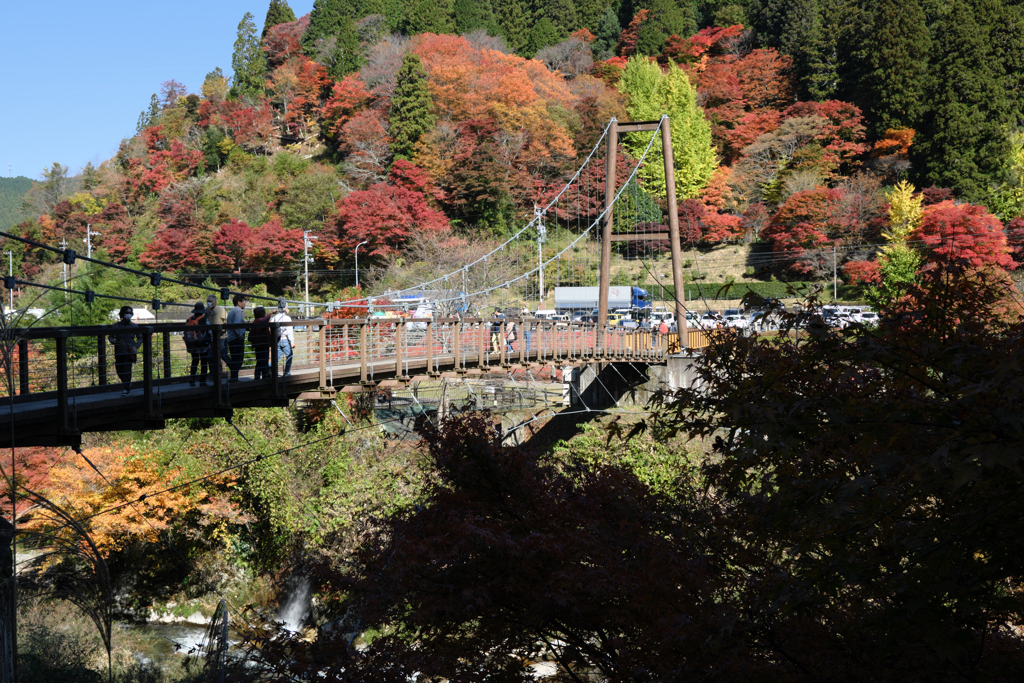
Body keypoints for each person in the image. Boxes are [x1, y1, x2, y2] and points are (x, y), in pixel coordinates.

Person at [107, 305, 142, 395]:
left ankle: (127, 389)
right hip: (119, 351)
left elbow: (140, 338)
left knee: (127, 370)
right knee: (119, 370)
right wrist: (113, 342)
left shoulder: (134, 326)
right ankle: (127, 384)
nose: (128, 314)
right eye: (127, 312)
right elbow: (110, 336)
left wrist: (136, 347)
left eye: (130, 313)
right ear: (122, 314)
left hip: (129, 351)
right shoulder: (115, 326)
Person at [184, 301, 211, 386]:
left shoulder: (189, 319)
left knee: (194, 361)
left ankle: (192, 379)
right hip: (203, 345)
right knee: (204, 362)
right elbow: (210, 332)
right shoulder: (204, 319)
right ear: (202, 311)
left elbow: (184, 331)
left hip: (193, 345)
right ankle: (202, 381)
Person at [270, 300, 295, 376]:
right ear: (286, 309)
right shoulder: (287, 318)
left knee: (276, 357)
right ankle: (287, 372)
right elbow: (289, 331)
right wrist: (292, 342)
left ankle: (271, 371)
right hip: (284, 340)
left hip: (277, 340)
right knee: (289, 355)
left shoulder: (274, 318)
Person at [226, 295, 247, 381]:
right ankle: (234, 378)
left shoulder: (232, 311)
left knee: (234, 358)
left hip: (231, 338)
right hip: (236, 339)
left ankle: (234, 378)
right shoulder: (238, 311)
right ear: (239, 302)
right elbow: (236, 324)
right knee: (239, 359)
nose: (244, 303)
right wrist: (240, 336)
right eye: (243, 301)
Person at [249, 306, 272, 380]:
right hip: (263, 345)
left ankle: (257, 378)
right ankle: (264, 378)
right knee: (264, 362)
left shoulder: (255, 321)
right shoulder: (260, 321)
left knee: (259, 362)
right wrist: (271, 313)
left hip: (257, 345)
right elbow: (264, 320)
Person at [205, 294, 228, 367]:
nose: (209, 303)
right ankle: (213, 373)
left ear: (215, 302)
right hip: (211, 338)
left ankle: (233, 371)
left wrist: (222, 330)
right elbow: (204, 321)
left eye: (210, 301)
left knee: (222, 355)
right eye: (208, 301)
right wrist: (206, 312)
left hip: (221, 337)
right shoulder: (207, 312)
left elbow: (227, 322)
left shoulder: (221, 310)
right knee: (211, 356)